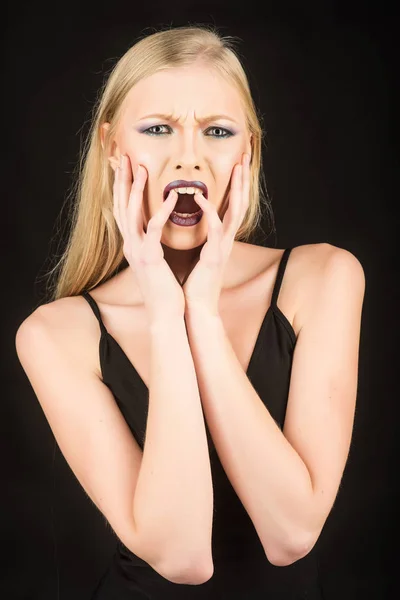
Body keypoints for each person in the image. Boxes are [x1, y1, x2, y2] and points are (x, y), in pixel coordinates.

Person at [15, 24, 366, 599]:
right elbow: (182, 558)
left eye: (218, 133)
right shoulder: (56, 334)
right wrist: (163, 308)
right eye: (158, 130)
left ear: (247, 151)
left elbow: (292, 533)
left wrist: (200, 313)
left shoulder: (323, 278)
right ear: (110, 146)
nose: (189, 161)